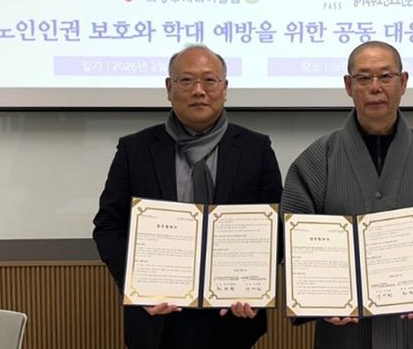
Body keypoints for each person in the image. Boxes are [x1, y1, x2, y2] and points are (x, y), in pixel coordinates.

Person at [280, 41, 413, 349]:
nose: (375, 87)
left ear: (403, 82)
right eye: (363, 78)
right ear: (348, 85)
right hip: (344, 333)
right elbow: (295, 239)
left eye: (385, 76)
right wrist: (319, 295)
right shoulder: (316, 162)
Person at [93, 44, 283, 349]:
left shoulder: (255, 149)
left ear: (225, 88)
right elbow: (109, 226)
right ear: (169, 88)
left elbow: (275, 229)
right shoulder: (135, 150)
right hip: (158, 315)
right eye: (186, 80)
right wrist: (136, 287)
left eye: (209, 80)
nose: (198, 90)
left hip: (232, 316)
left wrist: (254, 286)